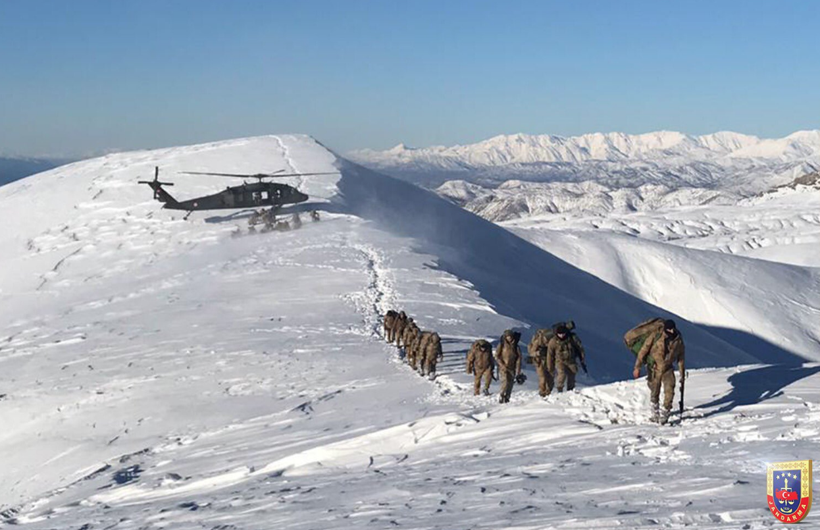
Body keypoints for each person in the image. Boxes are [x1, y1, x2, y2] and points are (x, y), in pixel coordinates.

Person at [633, 319, 685, 424]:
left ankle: (665, 412)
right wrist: (637, 367)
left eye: (672, 329)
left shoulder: (678, 340)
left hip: (667, 368)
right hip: (654, 367)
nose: (671, 331)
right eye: (669, 329)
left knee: (670, 389)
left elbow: (681, 357)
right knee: (654, 390)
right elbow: (644, 350)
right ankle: (654, 412)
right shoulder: (656, 335)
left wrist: (682, 374)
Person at [546, 324, 586, 393]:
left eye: (563, 334)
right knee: (562, 374)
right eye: (560, 334)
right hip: (560, 361)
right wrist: (550, 367)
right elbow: (550, 355)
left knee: (572, 375)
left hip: (571, 360)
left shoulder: (571, 339)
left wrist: (582, 358)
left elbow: (580, 348)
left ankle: (570, 390)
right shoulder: (553, 341)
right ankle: (559, 389)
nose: (561, 336)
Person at [495, 330, 523, 404]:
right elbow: (497, 356)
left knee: (510, 383)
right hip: (503, 367)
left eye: (510, 336)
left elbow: (519, 358)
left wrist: (518, 369)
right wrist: (502, 364)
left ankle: (507, 397)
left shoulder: (516, 346)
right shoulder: (501, 345)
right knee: (505, 381)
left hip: (512, 367)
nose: (509, 338)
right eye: (507, 337)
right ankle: (502, 395)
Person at [528, 328, 555, 397]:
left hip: (550, 361)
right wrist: (538, 353)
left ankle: (548, 392)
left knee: (550, 378)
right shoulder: (538, 342)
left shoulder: (553, 342)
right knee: (542, 378)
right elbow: (531, 352)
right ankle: (542, 392)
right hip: (540, 362)